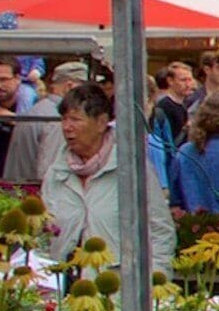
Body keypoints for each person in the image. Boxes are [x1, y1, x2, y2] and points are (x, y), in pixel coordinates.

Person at [40, 81, 175, 265]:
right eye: (64, 119)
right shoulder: (56, 173)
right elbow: (43, 236)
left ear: (101, 122)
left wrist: (156, 284)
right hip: (65, 283)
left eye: (75, 119)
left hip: (117, 286)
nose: (67, 127)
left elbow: (160, 231)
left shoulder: (130, 169)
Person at [0, 58, 60, 187]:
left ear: (17, 79)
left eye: (3, 79)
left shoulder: (36, 108)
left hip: (29, 180)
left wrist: (13, 119)